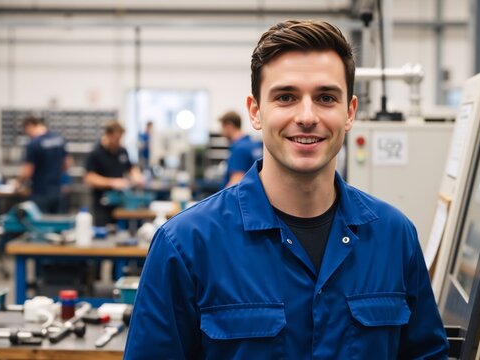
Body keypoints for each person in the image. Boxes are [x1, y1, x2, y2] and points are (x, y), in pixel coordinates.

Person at [125, 20, 448, 359]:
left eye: (325, 97)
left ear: (350, 112)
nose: (307, 117)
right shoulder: (187, 246)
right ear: (256, 111)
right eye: (285, 97)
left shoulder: (395, 238)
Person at [84, 120, 144, 226]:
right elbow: (89, 178)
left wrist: (136, 175)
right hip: (102, 204)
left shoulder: (121, 151)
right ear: (108, 135)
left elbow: (131, 168)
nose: (118, 141)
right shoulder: (96, 153)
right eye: (116, 138)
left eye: (120, 138)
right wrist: (112, 182)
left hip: (119, 202)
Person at [17, 115, 72, 213]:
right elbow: (67, 164)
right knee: (58, 224)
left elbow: (28, 171)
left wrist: (18, 183)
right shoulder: (59, 139)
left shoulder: (33, 144)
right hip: (58, 190)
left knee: (41, 225)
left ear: (29, 126)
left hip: (40, 192)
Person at [219, 111, 262, 187]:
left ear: (229, 126)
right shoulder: (253, 144)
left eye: (222, 127)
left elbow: (235, 183)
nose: (221, 132)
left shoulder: (239, 148)